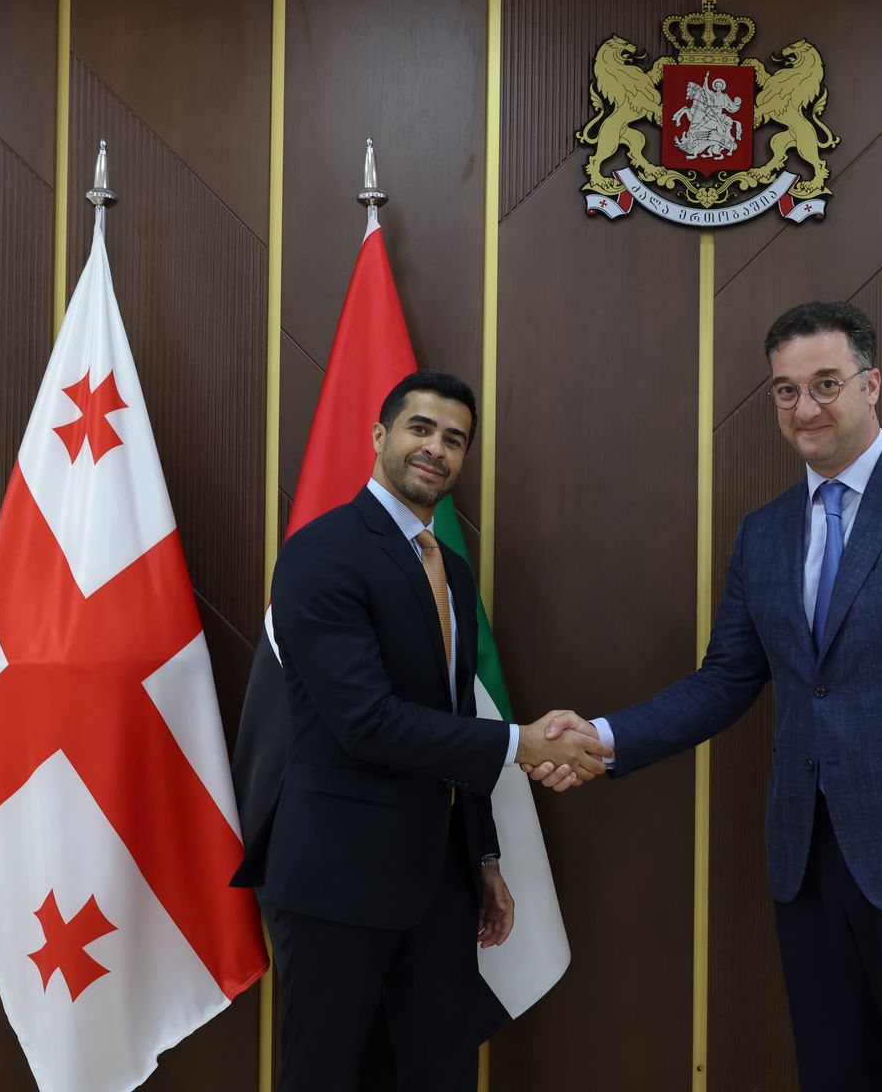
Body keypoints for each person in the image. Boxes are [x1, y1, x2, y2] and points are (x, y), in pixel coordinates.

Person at [526, 303, 882, 1091]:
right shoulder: (764, 534)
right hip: (808, 872)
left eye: (826, 384)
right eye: (785, 390)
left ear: (872, 385)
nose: (805, 408)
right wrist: (603, 737)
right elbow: (724, 681)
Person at [232, 370, 611, 1092]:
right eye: (421, 428)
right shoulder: (321, 553)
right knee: (326, 1077)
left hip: (440, 881)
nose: (436, 448)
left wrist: (484, 857)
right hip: (336, 878)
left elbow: (454, 716)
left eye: (455, 439)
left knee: (441, 1073)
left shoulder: (453, 572)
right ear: (380, 436)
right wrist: (522, 744)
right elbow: (365, 722)